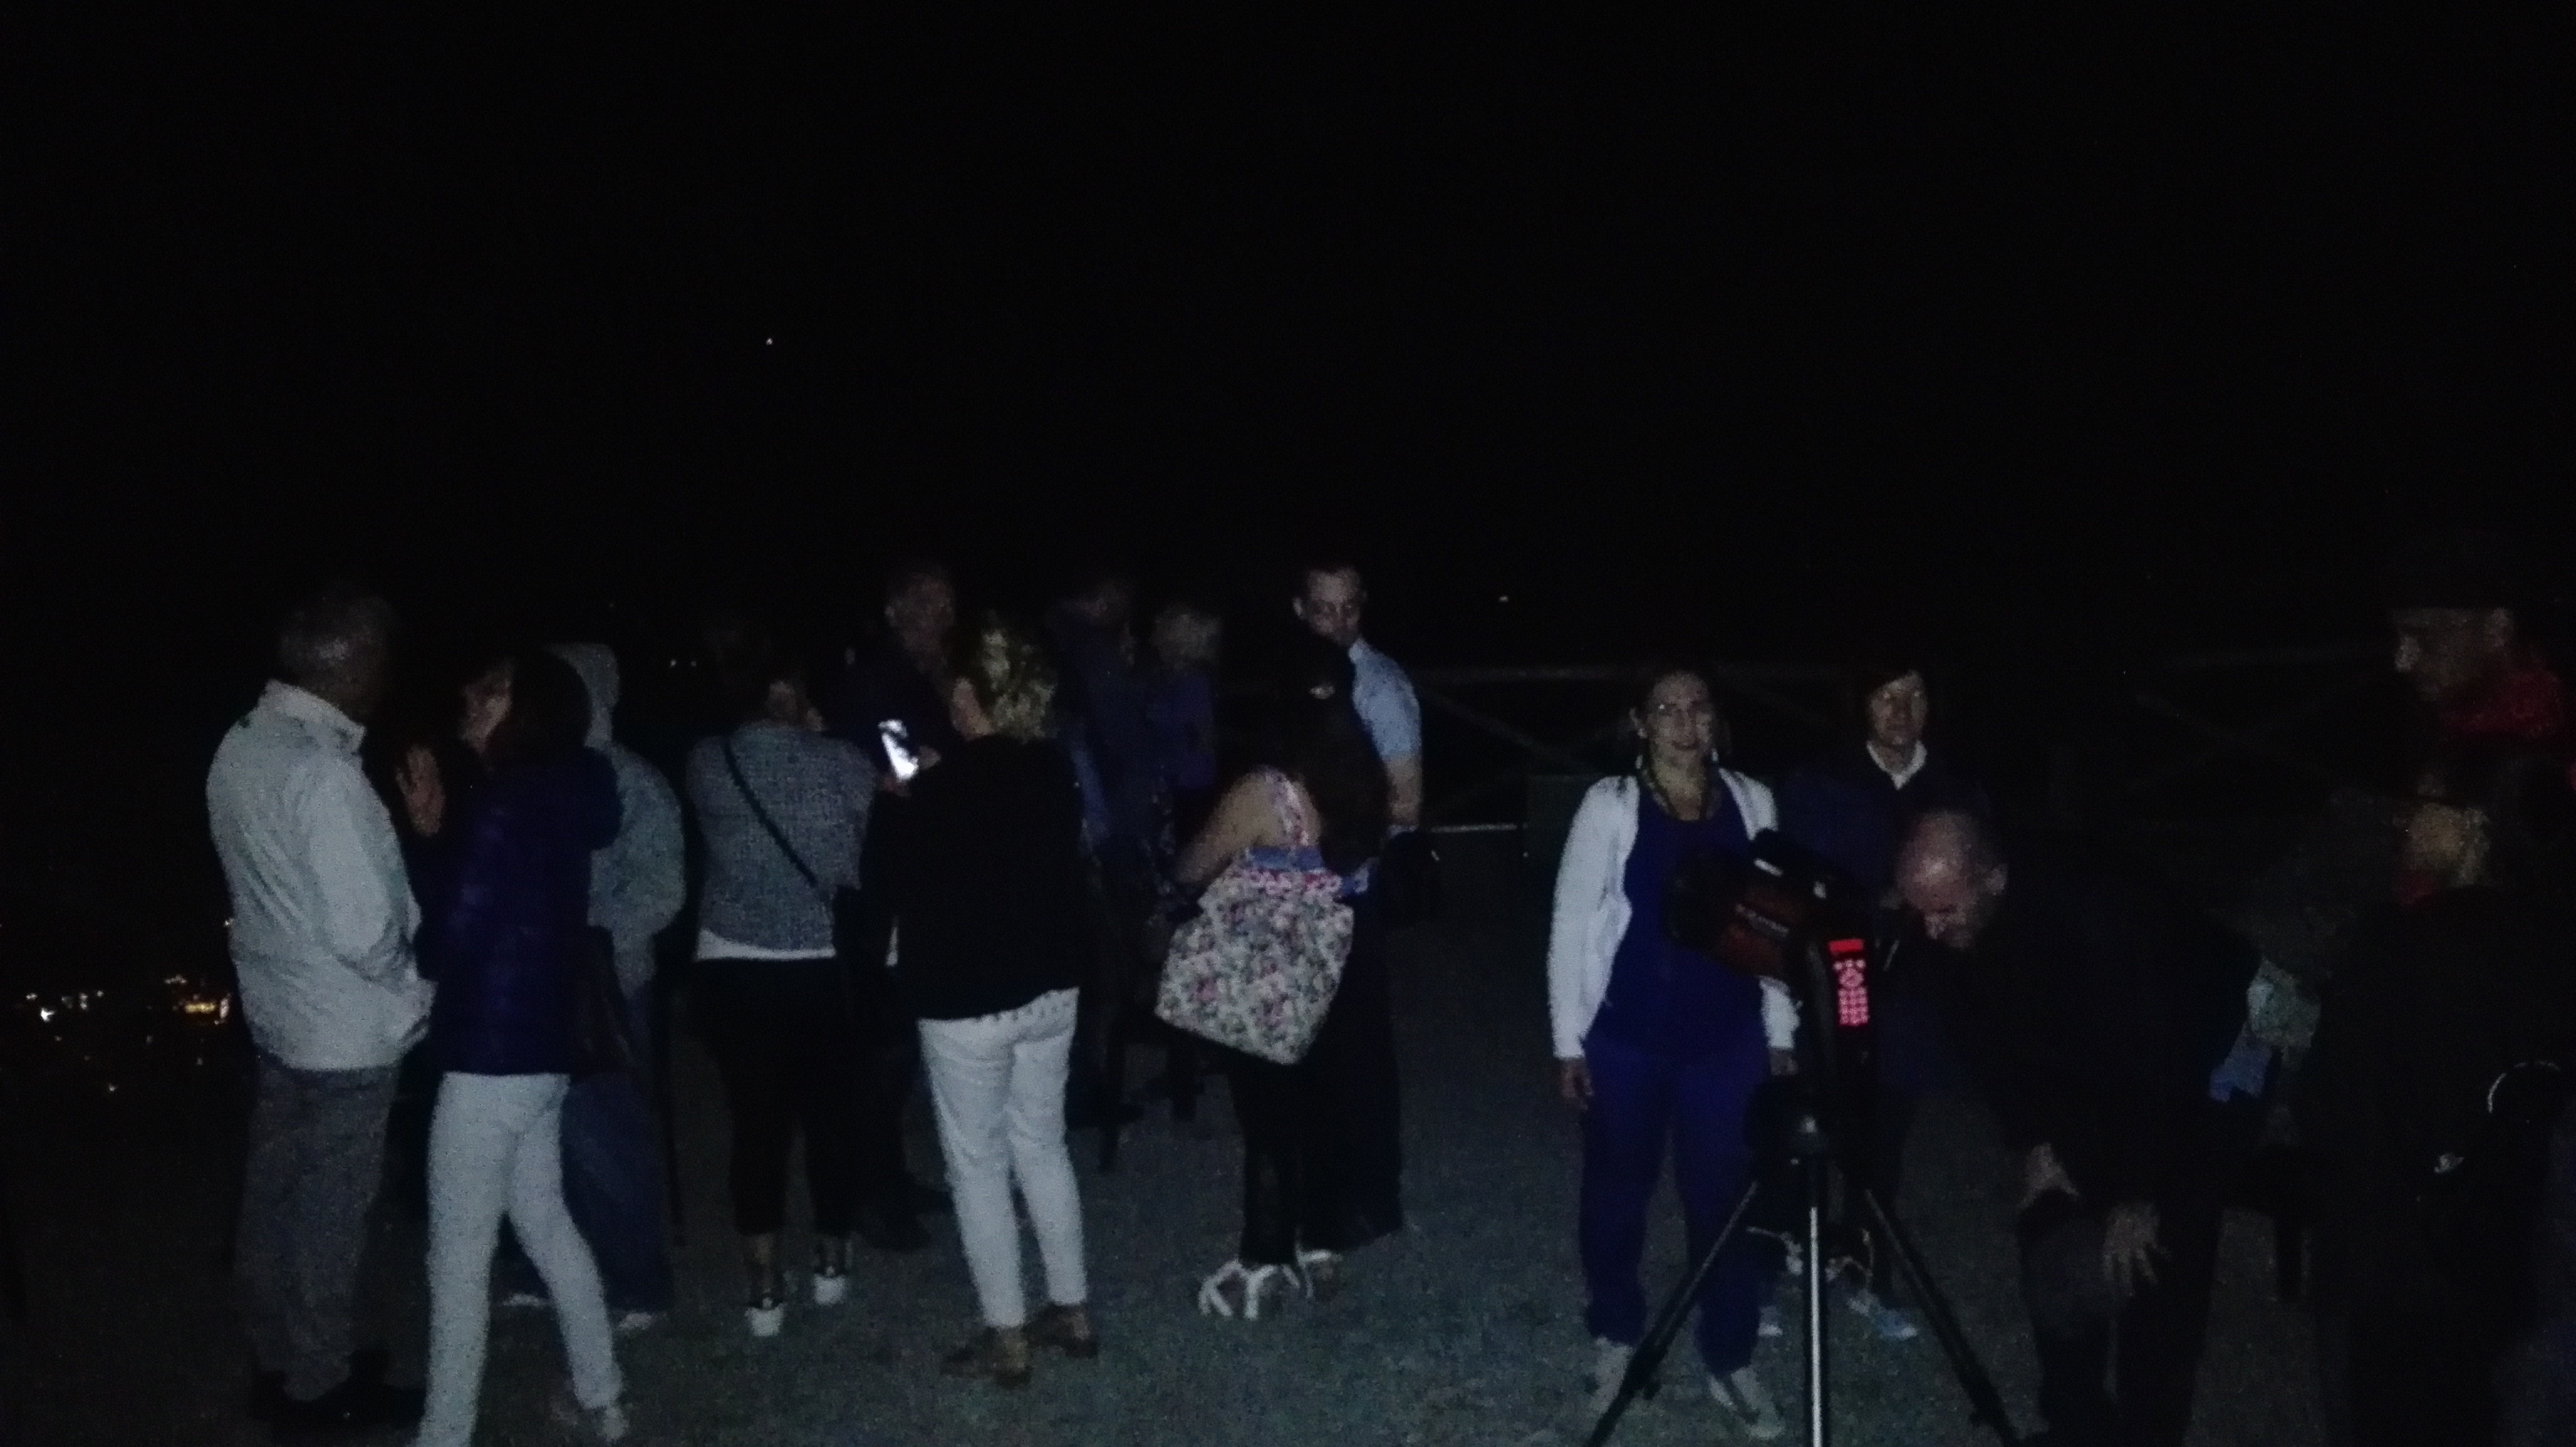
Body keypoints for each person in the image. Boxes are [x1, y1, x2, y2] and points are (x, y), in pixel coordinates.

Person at [1897, 810, 2261, 1447]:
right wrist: (2034, 1139)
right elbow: (1986, 1042)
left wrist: (2140, 1193)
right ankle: (2073, 1422)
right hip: (2107, 1062)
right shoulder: (1953, 926)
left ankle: (2148, 1431)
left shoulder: (2098, 914)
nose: (1930, 928)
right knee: (2051, 1224)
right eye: (1919, 911)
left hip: (2209, 1053)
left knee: (2152, 1259)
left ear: (1992, 879)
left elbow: (2161, 1055)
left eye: (1944, 911)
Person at [2296, 746, 2576, 1447]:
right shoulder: (2557, 946)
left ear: (2477, 825)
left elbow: (2327, 1106)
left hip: (2392, 1276)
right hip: (2514, 1274)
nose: (2405, 818)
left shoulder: (2396, 946)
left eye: (2425, 803)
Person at [1547, 664, 1795, 1439]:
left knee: (1723, 1197)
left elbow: (1774, 927)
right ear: (1639, 721)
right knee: (1616, 1189)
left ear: (1715, 716)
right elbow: (1569, 920)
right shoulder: (1610, 804)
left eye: (1697, 706)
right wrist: (1566, 1040)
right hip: (1627, 1039)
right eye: (1667, 708)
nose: (1685, 722)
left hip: (1726, 1041)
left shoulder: (1753, 800)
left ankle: (1729, 1352)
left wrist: (1780, 1033)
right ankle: (1616, 1331)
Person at [208, 586, 432, 1438]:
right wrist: (414, 985)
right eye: (383, 658)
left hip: (280, 1015)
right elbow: (365, 929)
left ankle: (279, 1359)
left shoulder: (243, 743)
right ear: (357, 664)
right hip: (342, 1031)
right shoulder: (322, 772)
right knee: (329, 1216)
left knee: (277, 1195)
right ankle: (319, 1387)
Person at [398, 649, 627, 1447]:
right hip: (540, 1048)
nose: (470, 696)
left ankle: (444, 1434)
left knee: (457, 1256)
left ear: (526, 711)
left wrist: (428, 847)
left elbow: (451, 934)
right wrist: (438, 834)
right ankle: (602, 1395)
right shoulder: (560, 796)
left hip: (489, 1053)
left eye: (491, 691)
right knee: (545, 1222)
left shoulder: (503, 802)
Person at [887, 615, 1099, 1388]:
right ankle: (1071, 1310)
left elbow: (903, 881)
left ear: (968, 693)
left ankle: (1007, 1334)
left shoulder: (937, 788)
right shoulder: (1051, 765)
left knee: (977, 1163)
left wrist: (904, 800)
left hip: (968, 998)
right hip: (1049, 986)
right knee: (1041, 1143)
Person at [686, 628, 903, 1340]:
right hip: (815, 962)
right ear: (793, 692)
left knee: (756, 1123)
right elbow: (851, 855)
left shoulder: (707, 760)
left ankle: (763, 1287)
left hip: (731, 964)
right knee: (827, 1114)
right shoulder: (842, 761)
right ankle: (830, 1258)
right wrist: (819, 738)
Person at [1181, 634, 1393, 1318]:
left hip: (1271, 967)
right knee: (1323, 1102)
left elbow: (1196, 863)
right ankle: (1322, 1238)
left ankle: (1265, 1254)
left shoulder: (1266, 790)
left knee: (1267, 1111)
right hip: (1339, 960)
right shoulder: (1366, 777)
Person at [1776, 660, 1988, 1340]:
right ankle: (1777, 1258)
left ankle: (1868, 1271)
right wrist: (1874, 905)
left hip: (1915, 996)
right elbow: (1795, 889)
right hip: (1835, 978)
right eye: (1884, 696)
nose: (1900, 711)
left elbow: (1981, 890)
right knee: (1805, 1126)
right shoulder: (1819, 783)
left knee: (1884, 1141)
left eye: (1914, 694)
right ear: (1860, 704)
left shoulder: (1957, 788)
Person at [492, 645, 685, 1328]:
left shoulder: (630, 780)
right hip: (537, 982)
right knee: (540, 1133)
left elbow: (662, 888)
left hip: (607, 988)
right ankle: (547, 1266)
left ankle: (638, 1281)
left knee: (605, 1134)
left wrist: (589, 939)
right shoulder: (532, 772)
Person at [824, 561, 964, 1219]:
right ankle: (873, 1188)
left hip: (906, 872)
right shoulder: (881, 680)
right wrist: (952, 765)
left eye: (946, 603)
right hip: (883, 879)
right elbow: (905, 773)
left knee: (896, 1030)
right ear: (893, 609)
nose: (941, 616)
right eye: (926, 603)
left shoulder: (919, 676)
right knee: (884, 1035)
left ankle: (883, 1174)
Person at [1293, 559, 1421, 828]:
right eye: (1324, 611)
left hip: (1369, 848)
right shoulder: (1299, 674)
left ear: (1363, 602)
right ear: (1300, 609)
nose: (1340, 623)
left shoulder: (1382, 688)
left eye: (1349, 608)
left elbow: (1407, 806)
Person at [1144, 599, 1223, 842]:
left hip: (1188, 782)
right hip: (1175, 779)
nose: (1155, 629)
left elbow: (1196, 733)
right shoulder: (1169, 677)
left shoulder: (1194, 681)